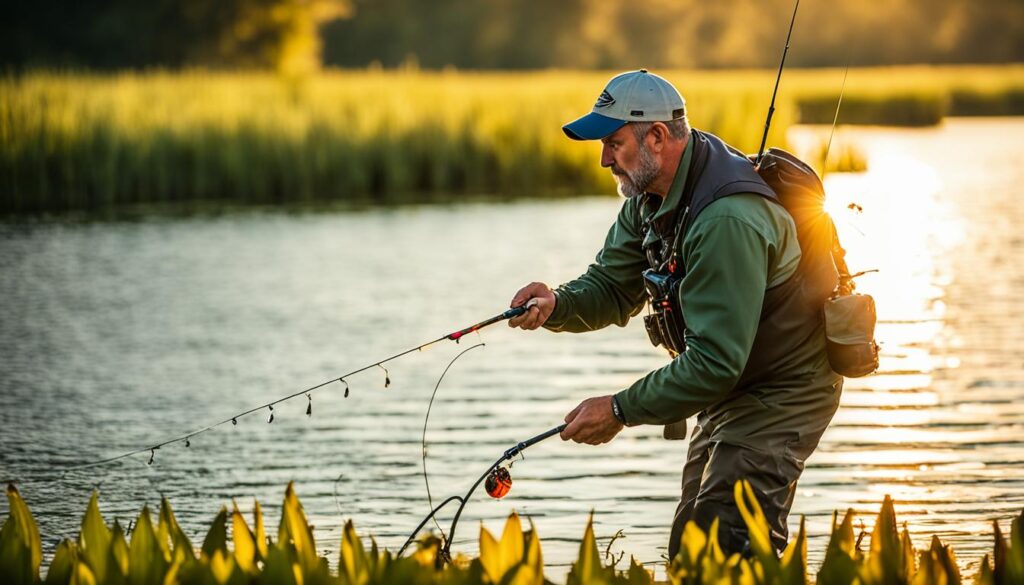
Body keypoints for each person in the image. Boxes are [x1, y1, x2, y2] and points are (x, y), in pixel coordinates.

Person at [507, 70, 843, 559]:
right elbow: (611, 286)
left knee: (723, 539)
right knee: (690, 541)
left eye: (613, 142)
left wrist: (619, 409)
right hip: (732, 384)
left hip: (786, 388)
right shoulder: (650, 198)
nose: (604, 159)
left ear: (658, 137)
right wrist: (557, 304)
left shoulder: (726, 220)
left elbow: (713, 364)